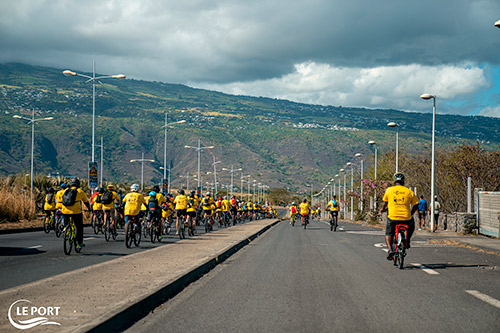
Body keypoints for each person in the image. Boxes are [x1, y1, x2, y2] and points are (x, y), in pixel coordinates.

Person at [380, 173, 419, 260]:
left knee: (388, 233)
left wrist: (382, 209)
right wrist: (411, 213)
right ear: (403, 182)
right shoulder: (409, 191)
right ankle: (407, 240)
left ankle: (390, 250)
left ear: (394, 182)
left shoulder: (389, 190)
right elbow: (416, 204)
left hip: (393, 217)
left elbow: (385, 202)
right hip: (406, 217)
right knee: (411, 224)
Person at [61, 178, 91, 251]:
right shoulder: (80, 191)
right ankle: (79, 243)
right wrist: (89, 209)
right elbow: (86, 202)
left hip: (65, 211)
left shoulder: (65, 190)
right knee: (79, 227)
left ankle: (66, 228)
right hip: (76, 212)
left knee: (66, 220)